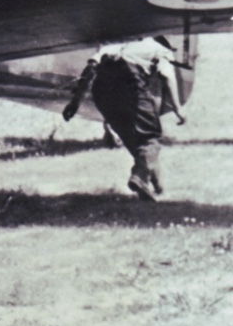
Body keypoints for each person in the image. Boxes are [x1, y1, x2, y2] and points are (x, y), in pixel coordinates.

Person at [63, 35, 185, 201]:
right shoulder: (160, 49)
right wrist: (177, 108)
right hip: (130, 81)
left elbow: (90, 69)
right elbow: (168, 77)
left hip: (102, 90)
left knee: (136, 143)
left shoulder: (114, 43)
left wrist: (75, 102)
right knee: (150, 139)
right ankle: (140, 178)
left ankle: (156, 186)